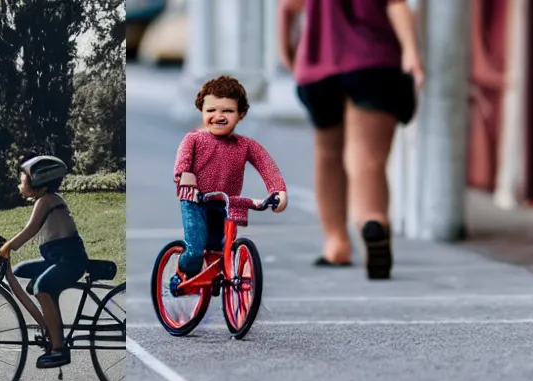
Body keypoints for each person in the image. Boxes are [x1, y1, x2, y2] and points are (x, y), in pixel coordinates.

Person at [278, 0, 424, 278]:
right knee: (367, 157)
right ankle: (372, 219)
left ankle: (336, 243)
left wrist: (288, 52)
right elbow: (396, 5)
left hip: (319, 65)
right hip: (374, 61)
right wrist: (410, 52)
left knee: (328, 154)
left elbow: (287, 8)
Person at [171, 76, 288, 289]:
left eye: (227, 111)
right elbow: (182, 163)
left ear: (241, 114)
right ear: (202, 111)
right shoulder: (193, 139)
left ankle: (218, 278)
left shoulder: (245, 145)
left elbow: (267, 166)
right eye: (211, 110)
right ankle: (182, 274)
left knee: (218, 248)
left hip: (225, 203)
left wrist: (277, 190)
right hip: (196, 201)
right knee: (196, 249)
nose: (218, 116)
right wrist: (185, 176)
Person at [0, 156, 87, 370]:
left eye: (23, 180)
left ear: (39, 182)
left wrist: (8, 247)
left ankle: (59, 349)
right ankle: (49, 321)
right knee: (21, 271)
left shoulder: (47, 201)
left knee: (42, 287)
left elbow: (31, 230)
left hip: (70, 260)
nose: (20, 184)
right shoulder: (45, 200)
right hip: (56, 258)